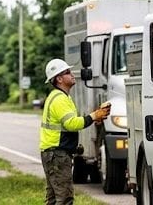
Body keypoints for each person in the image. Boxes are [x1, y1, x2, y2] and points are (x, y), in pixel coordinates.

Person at [40, 58, 110, 205]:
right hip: (57, 154)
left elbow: (66, 124)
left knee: (53, 199)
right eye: (67, 72)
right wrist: (94, 115)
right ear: (59, 79)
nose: (72, 74)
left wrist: (93, 118)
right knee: (65, 198)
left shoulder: (61, 96)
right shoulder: (60, 99)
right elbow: (71, 124)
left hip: (53, 153)